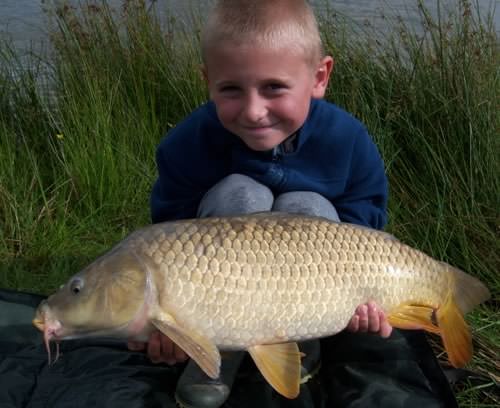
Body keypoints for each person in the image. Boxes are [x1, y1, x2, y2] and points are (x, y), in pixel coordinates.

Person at [128, 1, 454, 408]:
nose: (253, 111)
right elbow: (172, 244)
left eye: (274, 88)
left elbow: (362, 229)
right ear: (207, 80)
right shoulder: (185, 145)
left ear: (319, 78)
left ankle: (302, 338)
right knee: (240, 194)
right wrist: (169, 323)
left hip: (313, 280)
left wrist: (366, 299)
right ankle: (216, 351)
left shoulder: (348, 140)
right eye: (230, 89)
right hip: (220, 289)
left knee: (310, 205)